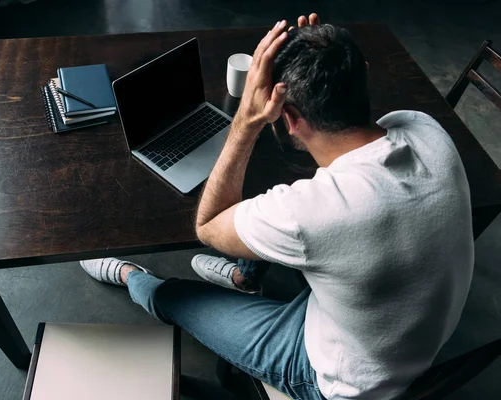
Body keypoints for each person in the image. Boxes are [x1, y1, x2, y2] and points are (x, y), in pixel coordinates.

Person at [80, 13, 474, 400]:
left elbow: (209, 225)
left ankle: (133, 275)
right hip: (402, 327)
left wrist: (247, 121)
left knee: (176, 299)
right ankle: (245, 280)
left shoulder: (311, 213)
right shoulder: (423, 127)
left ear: (288, 117)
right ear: (362, 74)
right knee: (276, 220)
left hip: (342, 379)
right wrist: (321, 59)